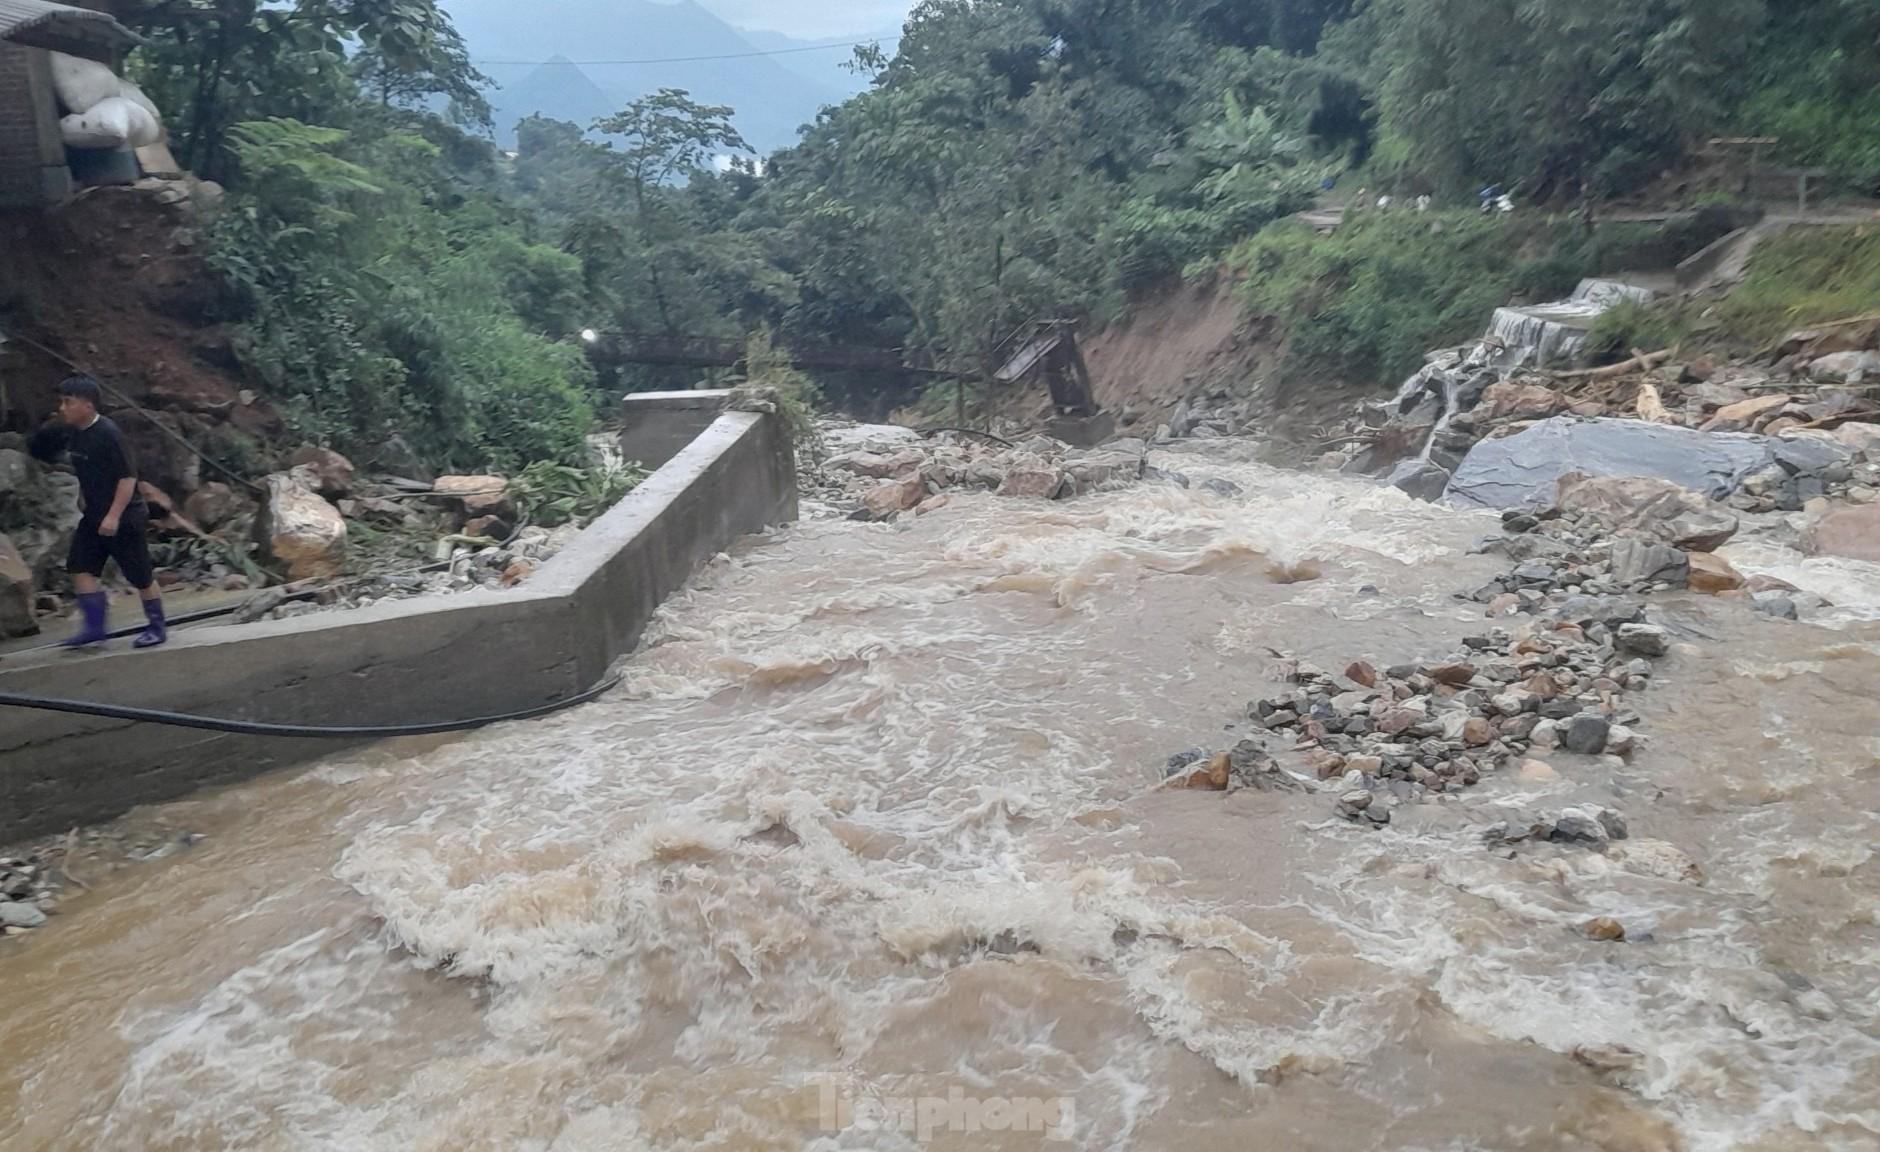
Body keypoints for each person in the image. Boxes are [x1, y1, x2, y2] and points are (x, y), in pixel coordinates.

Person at [26, 376, 167, 649]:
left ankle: (157, 626)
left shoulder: (109, 434)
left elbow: (127, 480)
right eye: (62, 402)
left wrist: (113, 516)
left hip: (124, 517)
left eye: (68, 402)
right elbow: (86, 471)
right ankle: (94, 628)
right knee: (80, 566)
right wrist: (83, 499)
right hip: (93, 515)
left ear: (88, 406)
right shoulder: (75, 434)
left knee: (140, 575)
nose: (62, 408)